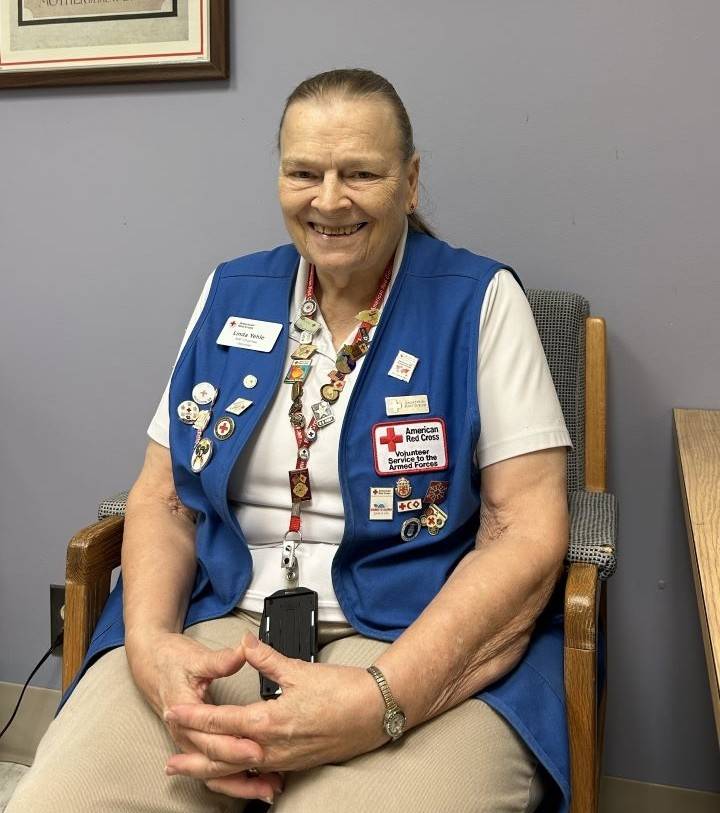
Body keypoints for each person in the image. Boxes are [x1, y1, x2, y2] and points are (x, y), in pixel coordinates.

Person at [9, 68, 572, 813]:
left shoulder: (479, 301)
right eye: (304, 172)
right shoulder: (230, 291)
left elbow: (523, 529)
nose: (329, 199)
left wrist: (382, 698)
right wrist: (150, 647)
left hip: (406, 638)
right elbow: (164, 496)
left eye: (360, 173)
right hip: (221, 628)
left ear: (409, 181)